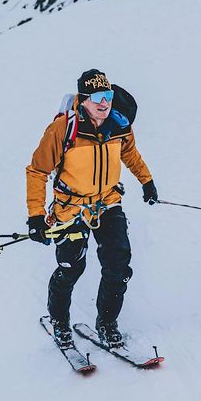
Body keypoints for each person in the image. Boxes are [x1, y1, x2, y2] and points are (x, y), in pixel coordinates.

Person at [25, 69, 158, 350]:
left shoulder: (119, 125)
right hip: (70, 210)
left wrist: (147, 181)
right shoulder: (63, 129)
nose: (104, 103)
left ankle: (107, 323)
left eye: (107, 96)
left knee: (118, 266)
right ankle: (60, 323)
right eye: (97, 97)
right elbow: (37, 171)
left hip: (107, 203)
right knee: (71, 267)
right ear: (83, 99)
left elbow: (130, 154)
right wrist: (36, 216)